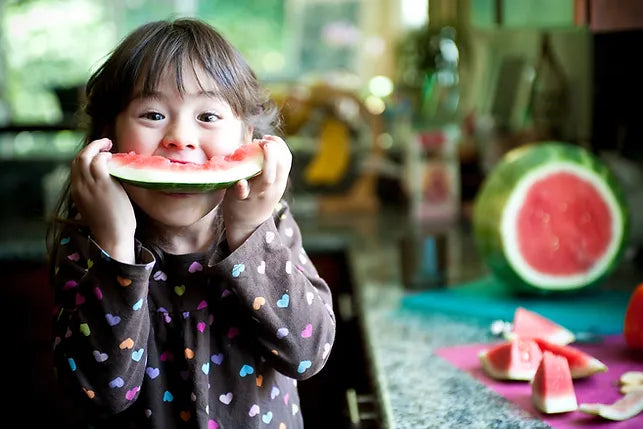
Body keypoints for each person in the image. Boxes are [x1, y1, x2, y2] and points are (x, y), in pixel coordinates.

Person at [46, 17, 336, 429]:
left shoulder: (274, 226)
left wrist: (251, 234)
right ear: (108, 135)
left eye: (208, 116)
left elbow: (307, 355)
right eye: (152, 113)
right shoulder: (87, 246)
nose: (180, 138)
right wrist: (115, 246)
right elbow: (101, 393)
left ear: (246, 136)